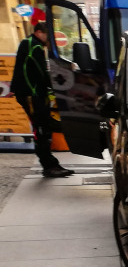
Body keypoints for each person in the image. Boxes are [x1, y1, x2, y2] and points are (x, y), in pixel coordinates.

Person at [9, 15, 75, 179]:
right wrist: (61, 80)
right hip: (32, 94)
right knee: (41, 129)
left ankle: (51, 164)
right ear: (39, 33)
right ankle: (49, 166)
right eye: (48, 35)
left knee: (44, 127)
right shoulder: (34, 46)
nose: (49, 39)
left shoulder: (32, 44)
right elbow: (41, 72)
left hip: (33, 92)